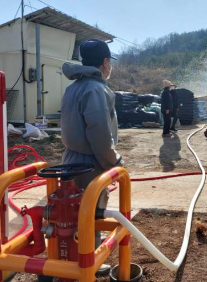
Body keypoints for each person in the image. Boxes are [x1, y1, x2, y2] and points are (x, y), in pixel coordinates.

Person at [60, 39, 122, 276]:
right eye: (109, 63)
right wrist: (114, 163)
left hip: (71, 159)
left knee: (73, 213)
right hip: (90, 163)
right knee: (91, 214)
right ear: (105, 62)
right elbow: (99, 133)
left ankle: (71, 257)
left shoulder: (73, 87)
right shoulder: (96, 89)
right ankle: (90, 263)